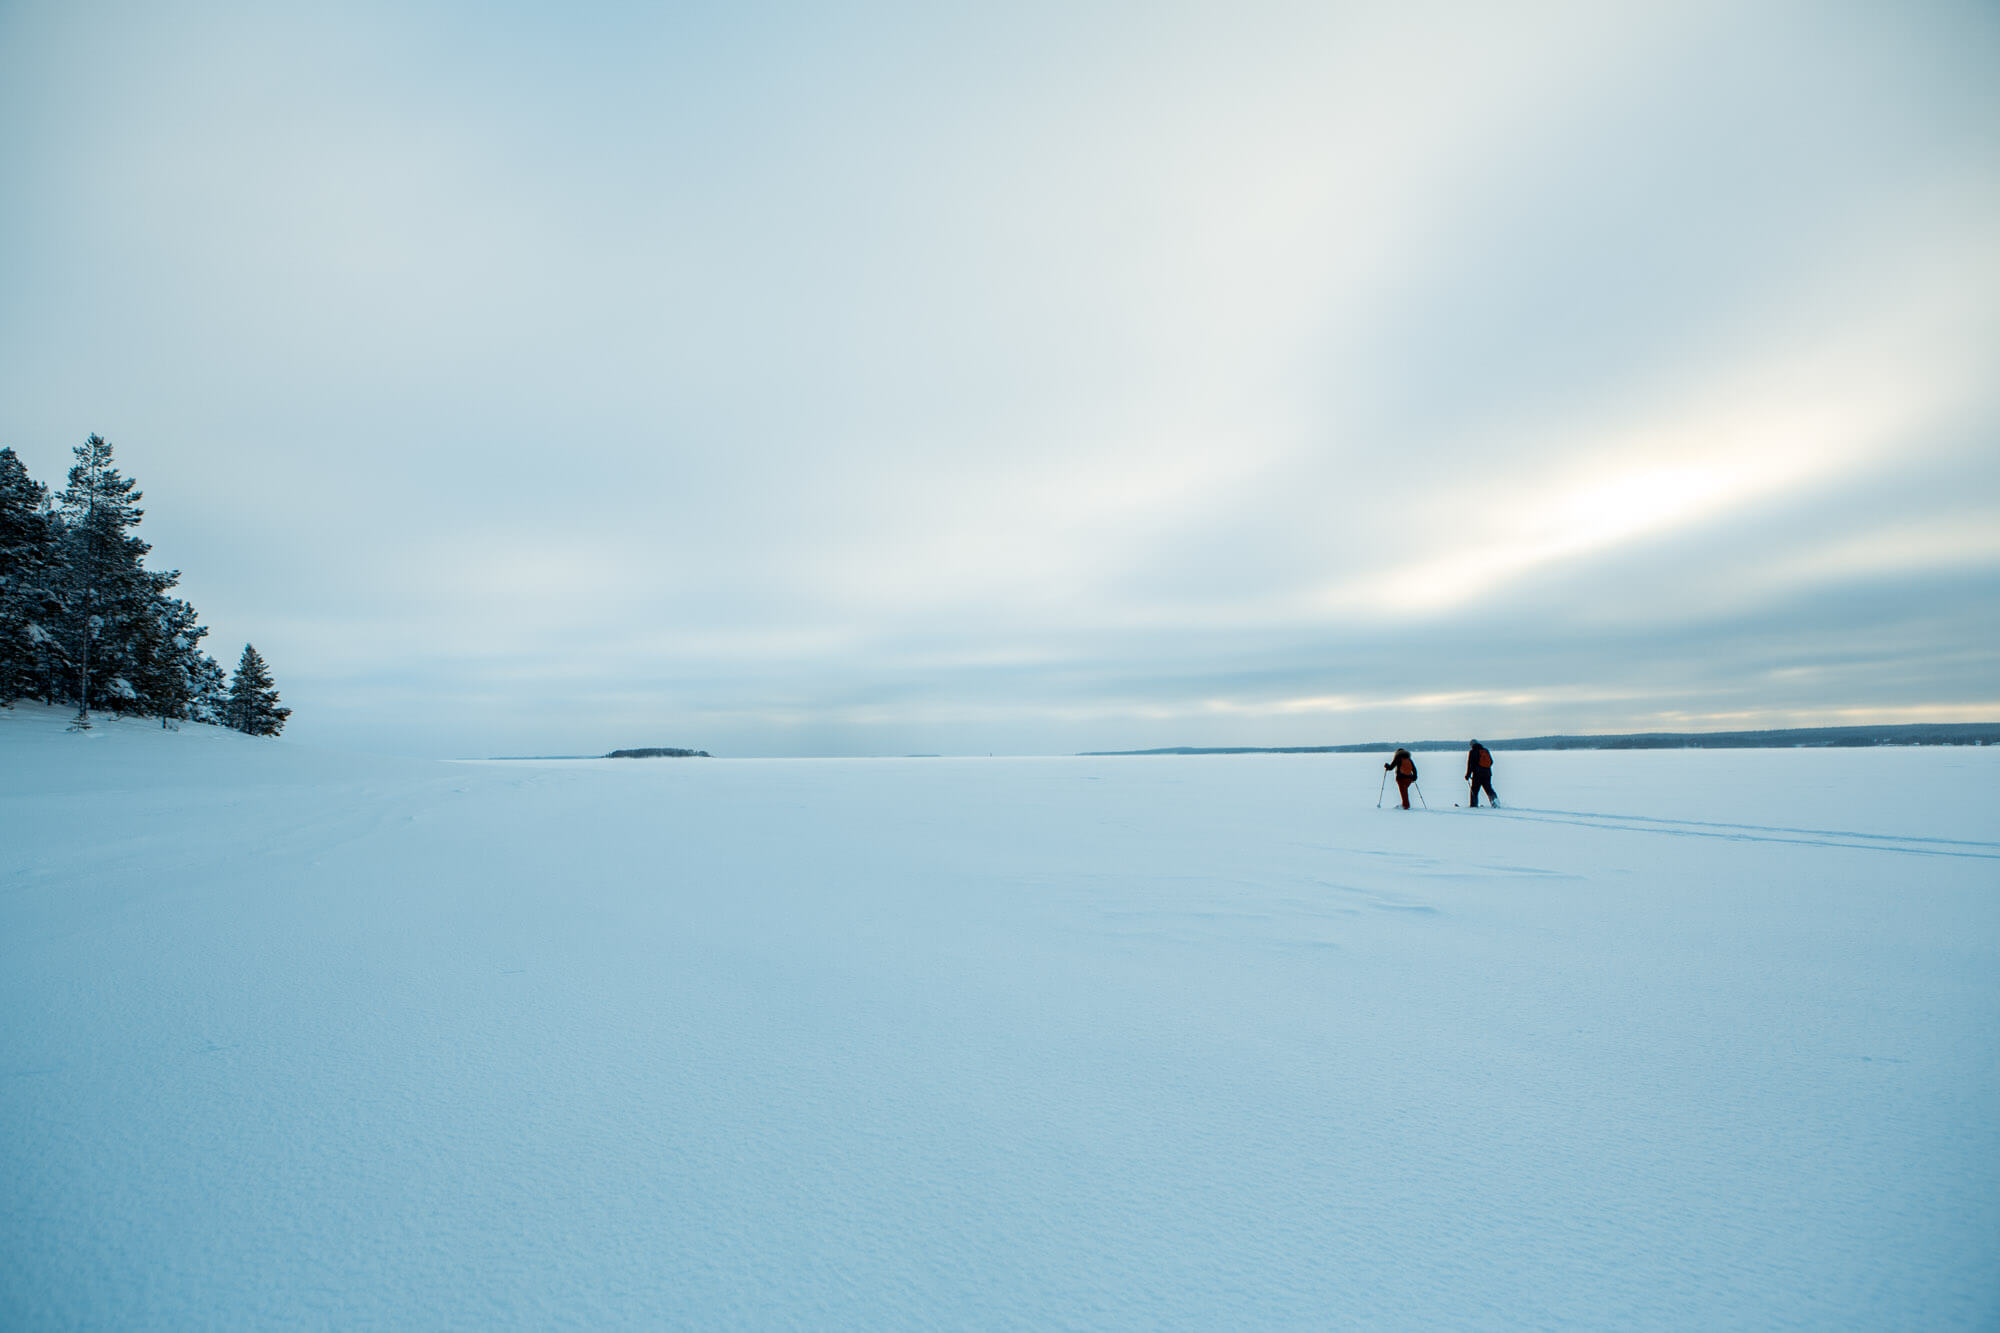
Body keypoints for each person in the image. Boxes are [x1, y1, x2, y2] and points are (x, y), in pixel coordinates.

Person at [1465, 739, 1498, 807]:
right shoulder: (1485, 751)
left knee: (1474, 790)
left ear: (1472, 745)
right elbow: (1491, 762)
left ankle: (1473, 805)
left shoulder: (1473, 752)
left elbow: (1470, 764)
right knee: (1488, 788)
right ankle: (1495, 802)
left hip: (1477, 774)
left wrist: (1468, 775)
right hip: (1488, 774)